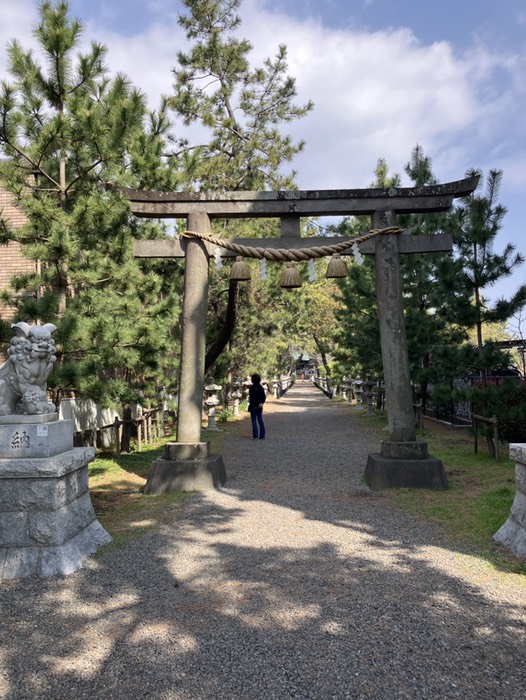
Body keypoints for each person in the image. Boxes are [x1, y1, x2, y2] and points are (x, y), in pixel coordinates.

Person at [248, 373, 266, 440]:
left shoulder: (252, 388)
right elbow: (264, 397)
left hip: (253, 406)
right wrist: (261, 403)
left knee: (254, 421)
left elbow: (251, 398)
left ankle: (255, 435)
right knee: (260, 420)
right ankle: (262, 435)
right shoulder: (261, 388)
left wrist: (257, 403)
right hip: (260, 406)